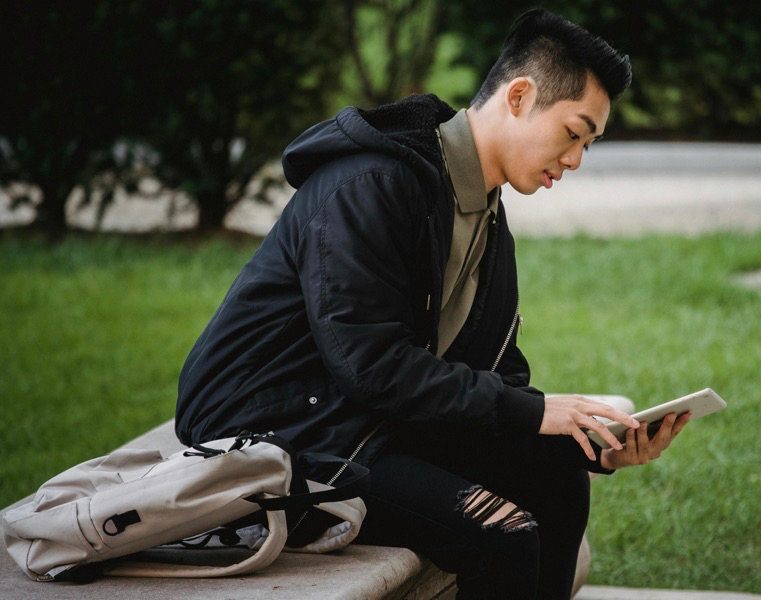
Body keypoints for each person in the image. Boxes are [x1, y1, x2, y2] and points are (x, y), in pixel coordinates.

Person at [175, 8, 690, 599]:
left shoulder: (484, 215)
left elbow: (495, 375)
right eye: (574, 133)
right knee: (504, 533)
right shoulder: (370, 185)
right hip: (278, 432)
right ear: (519, 96)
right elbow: (369, 362)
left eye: (588, 145)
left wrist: (597, 447)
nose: (575, 159)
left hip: (366, 420)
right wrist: (532, 412)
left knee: (561, 475)